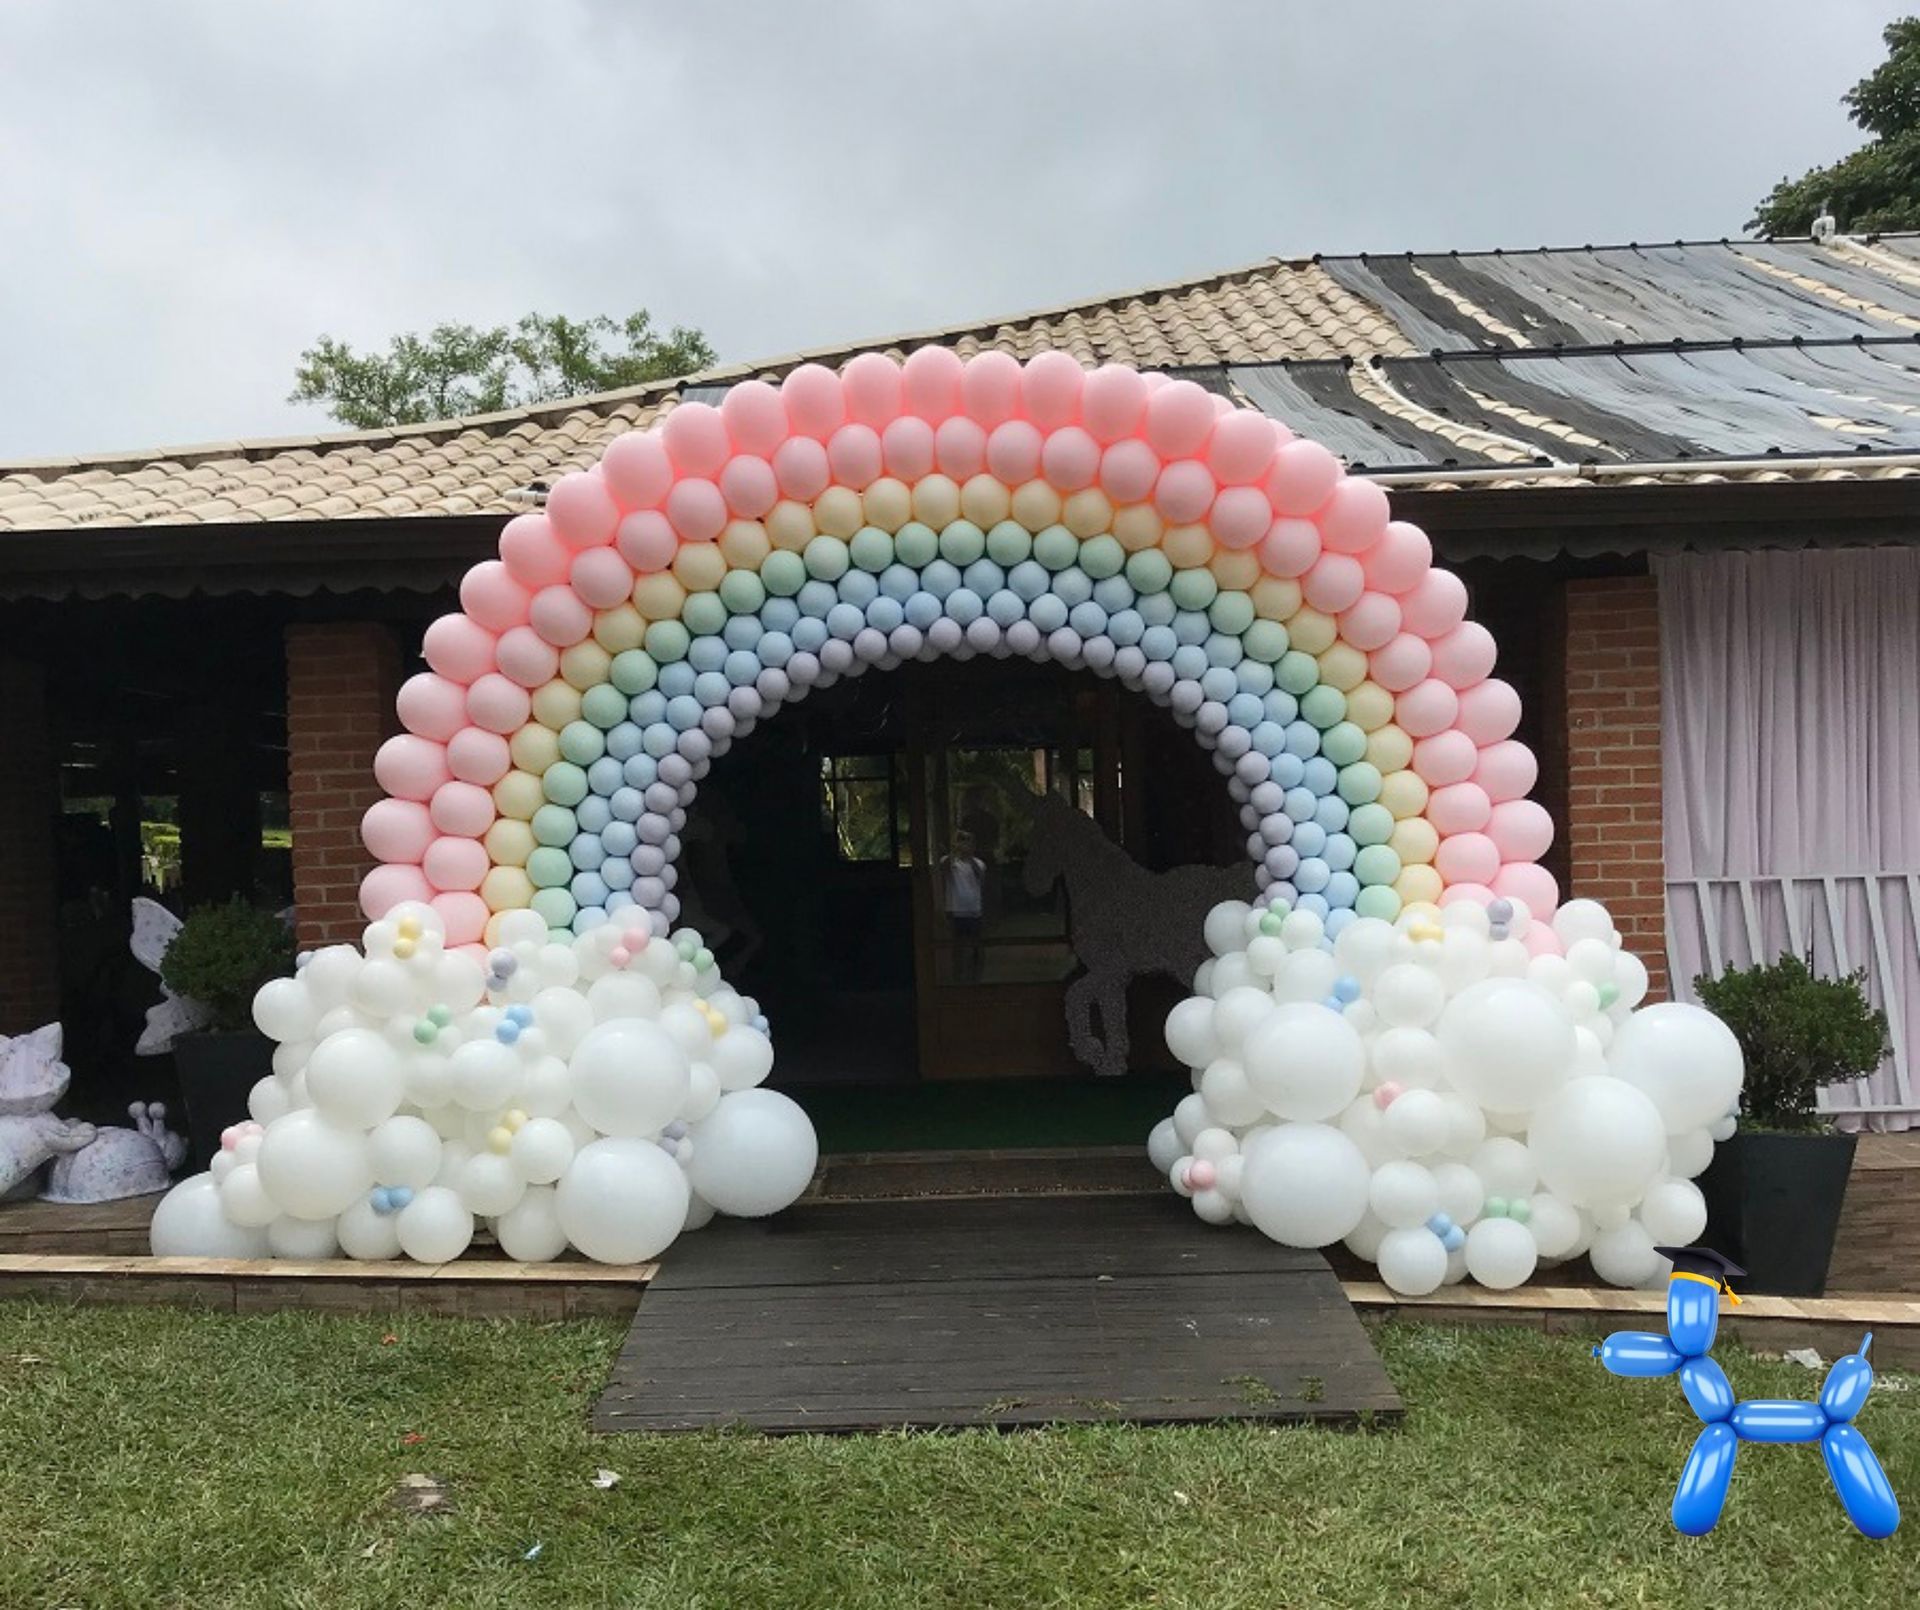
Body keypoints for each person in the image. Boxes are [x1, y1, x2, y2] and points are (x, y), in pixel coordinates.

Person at [940, 829, 986, 983]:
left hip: (974, 912)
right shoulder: (949, 861)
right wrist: (955, 849)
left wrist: (969, 855)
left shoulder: (979, 863)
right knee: (957, 947)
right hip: (955, 912)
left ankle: (976, 977)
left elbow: (980, 875)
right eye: (962, 841)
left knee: (976, 946)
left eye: (968, 842)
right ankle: (957, 977)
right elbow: (944, 867)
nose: (965, 845)